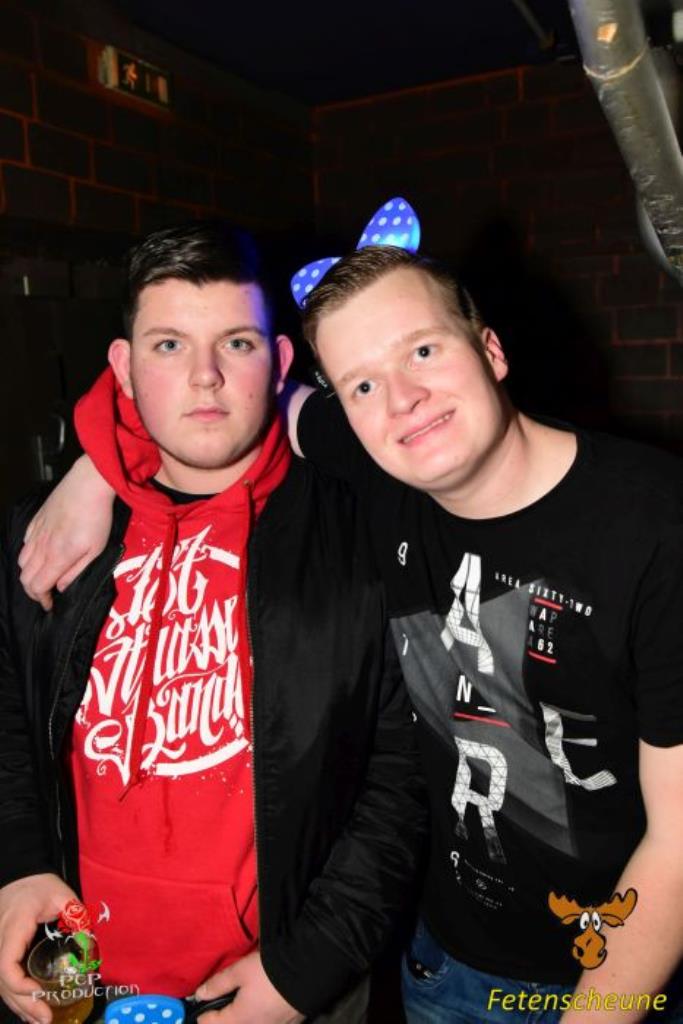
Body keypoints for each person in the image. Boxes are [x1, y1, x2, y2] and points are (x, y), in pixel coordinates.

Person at [17, 242, 683, 1024]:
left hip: (622, 977)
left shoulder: (653, 523)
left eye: (423, 351)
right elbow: (216, 394)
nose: (402, 399)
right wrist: (96, 470)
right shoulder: (378, 479)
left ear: (491, 349)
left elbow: (677, 844)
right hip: (441, 967)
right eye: (362, 383)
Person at [0, 224, 427, 1024]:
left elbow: (403, 774)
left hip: (279, 985)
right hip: (79, 981)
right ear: (122, 369)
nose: (205, 376)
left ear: (281, 362)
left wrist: (308, 968)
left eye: (236, 342)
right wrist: (17, 865)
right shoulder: (47, 535)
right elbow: (10, 718)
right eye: (168, 345)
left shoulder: (360, 538)